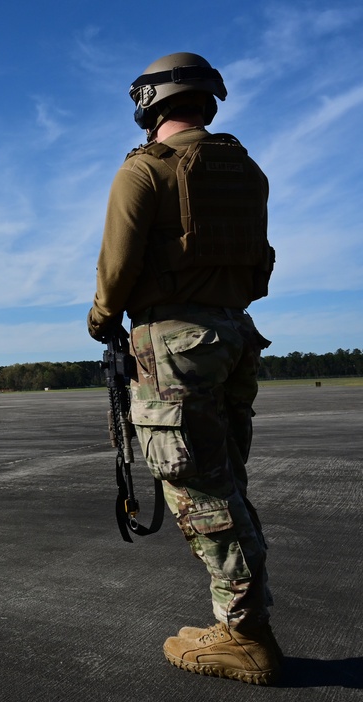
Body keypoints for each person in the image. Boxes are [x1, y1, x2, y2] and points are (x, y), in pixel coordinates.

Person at [87, 52, 281, 685]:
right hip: (234, 335)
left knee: (199, 490)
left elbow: (116, 269)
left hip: (174, 344)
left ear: (150, 103)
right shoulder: (248, 172)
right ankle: (239, 618)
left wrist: (101, 319)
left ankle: (246, 636)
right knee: (225, 480)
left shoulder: (145, 171)